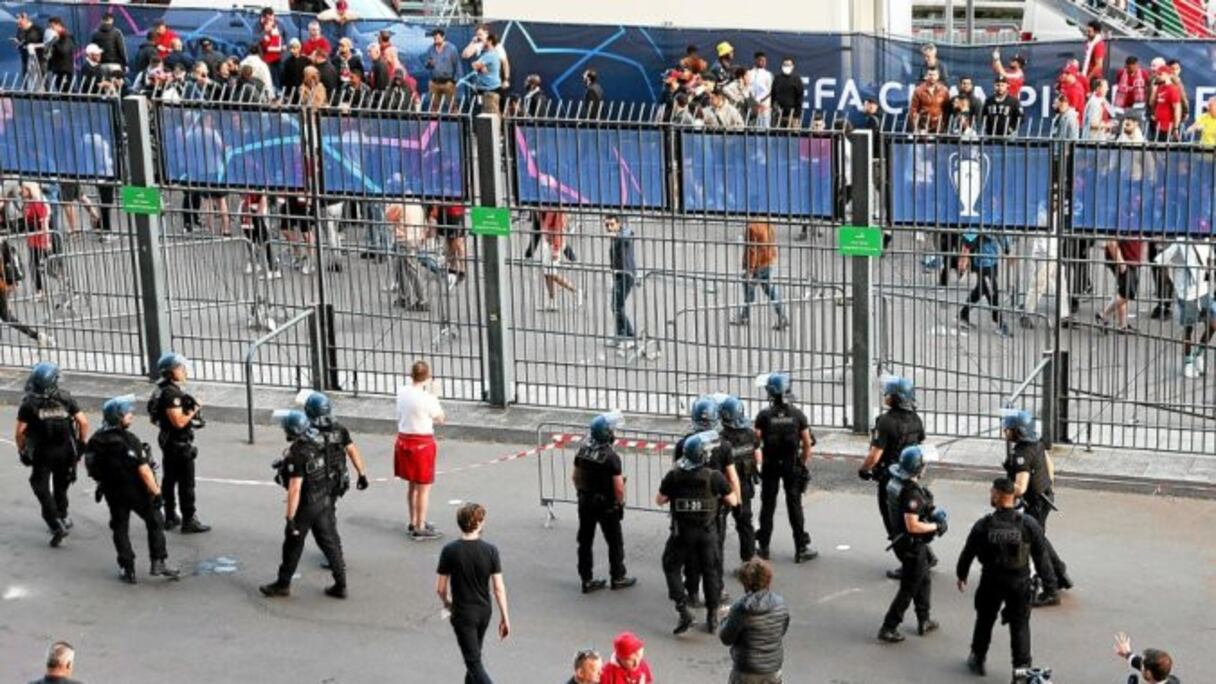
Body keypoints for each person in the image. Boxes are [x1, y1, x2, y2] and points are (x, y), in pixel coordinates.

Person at [955, 477, 1056, 677]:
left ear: (999, 495)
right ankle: (1021, 671)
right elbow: (1041, 556)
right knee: (1020, 624)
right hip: (1020, 582)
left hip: (991, 580)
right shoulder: (1027, 524)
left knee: (985, 619)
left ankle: (978, 658)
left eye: (992, 492)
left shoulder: (984, 525)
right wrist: (1050, 585)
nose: (990, 495)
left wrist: (962, 574)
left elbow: (968, 552)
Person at [84, 395, 180, 584]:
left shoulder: (96, 440)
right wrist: (157, 492)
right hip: (136, 489)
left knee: (120, 527)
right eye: (127, 413)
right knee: (155, 520)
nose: (131, 416)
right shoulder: (129, 440)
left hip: (112, 490)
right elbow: (144, 470)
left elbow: (90, 465)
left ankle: (127, 568)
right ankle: (158, 561)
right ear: (117, 416)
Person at [259, 410, 347, 599]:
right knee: (329, 542)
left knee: (293, 543)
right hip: (323, 499)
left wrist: (290, 518)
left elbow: (295, 489)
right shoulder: (319, 442)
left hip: (307, 504)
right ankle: (341, 584)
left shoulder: (297, 454)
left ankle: (283, 584)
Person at [657, 431, 738, 634]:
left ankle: (683, 608)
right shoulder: (714, 476)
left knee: (671, 566)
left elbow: (660, 499)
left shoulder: (674, 475)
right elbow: (733, 501)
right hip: (707, 532)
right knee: (710, 571)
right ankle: (712, 616)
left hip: (681, 533)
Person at [999, 410, 1072, 606]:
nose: (1005, 431)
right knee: (1040, 538)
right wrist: (1047, 486)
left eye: (1008, 429)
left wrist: (1001, 491)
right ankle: (1060, 574)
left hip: (1035, 504)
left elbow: (1020, 487)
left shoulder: (1022, 454)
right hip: (1044, 498)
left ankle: (1050, 588)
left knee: (1035, 546)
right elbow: (1050, 467)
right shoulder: (1036, 444)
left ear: (1019, 431)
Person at [858, 375, 926, 580]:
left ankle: (908, 564)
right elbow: (921, 448)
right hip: (912, 476)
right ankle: (926, 557)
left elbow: (875, 454)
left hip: (891, 479)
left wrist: (864, 469)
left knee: (894, 522)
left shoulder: (885, 421)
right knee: (912, 518)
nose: (885, 396)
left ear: (895, 397)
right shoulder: (916, 419)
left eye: (888, 393)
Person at [877, 445, 947, 643]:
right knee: (908, 587)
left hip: (903, 541)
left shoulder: (896, 482)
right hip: (911, 544)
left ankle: (924, 619)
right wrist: (935, 526)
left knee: (923, 579)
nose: (926, 467)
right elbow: (913, 525)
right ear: (918, 467)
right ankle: (889, 626)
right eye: (924, 464)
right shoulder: (911, 493)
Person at [436, 503, 511, 684]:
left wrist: (447, 603)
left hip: (462, 613)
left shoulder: (450, 550)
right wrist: (505, 617)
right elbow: (499, 589)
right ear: (479, 523)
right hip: (484, 611)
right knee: (474, 656)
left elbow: (440, 588)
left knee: (473, 661)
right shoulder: (490, 550)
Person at [16, 362, 88, 547]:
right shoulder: (65, 398)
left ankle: (54, 522)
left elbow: (20, 432)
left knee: (39, 485)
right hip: (66, 450)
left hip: (43, 452)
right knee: (61, 484)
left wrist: (22, 450)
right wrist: (81, 443)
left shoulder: (29, 403)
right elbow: (83, 422)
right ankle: (63, 516)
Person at [753, 373, 816, 563]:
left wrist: (758, 463)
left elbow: (755, 442)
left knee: (768, 505)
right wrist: (802, 463)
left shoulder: (764, 415)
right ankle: (800, 548)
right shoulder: (797, 414)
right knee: (794, 504)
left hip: (770, 464)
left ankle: (763, 547)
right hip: (791, 464)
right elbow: (807, 443)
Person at [572, 411, 635, 593]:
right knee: (615, 541)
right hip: (606, 505)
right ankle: (618, 576)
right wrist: (620, 503)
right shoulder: (611, 457)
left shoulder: (583, 451)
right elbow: (619, 488)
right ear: (607, 434)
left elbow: (575, 477)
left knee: (585, 542)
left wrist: (582, 493)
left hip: (585, 502)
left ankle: (587, 579)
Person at [149, 352, 210, 534]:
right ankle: (189, 519)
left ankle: (170, 516)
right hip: (178, 441)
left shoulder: (160, 389)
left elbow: (155, 417)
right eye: (180, 368)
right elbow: (179, 421)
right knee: (186, 483)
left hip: (167, 439)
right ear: (171, 371)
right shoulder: (171, 394)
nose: (184, 371)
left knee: (170, 478)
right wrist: (195, 407)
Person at [395, 360, 446, 539]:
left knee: (412, 485)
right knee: (424, 487)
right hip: (422, 443)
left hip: (403, 440)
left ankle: (413, 520)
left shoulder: (402, 392)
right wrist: (435, 396)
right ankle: (420, 526)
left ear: (411, 375)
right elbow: (440, 418)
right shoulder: (428, 398)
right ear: (428, 377)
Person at [719, 559, 789, 684]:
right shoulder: (780, 604)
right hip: (772, 668)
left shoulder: (741, 609)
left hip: (747, 669)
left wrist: (725, 617)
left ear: (746, 584)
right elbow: (782, 630)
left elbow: (726, 638)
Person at [1154, 238, 1216, 378]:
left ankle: (1199, 353)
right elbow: (1160, 260)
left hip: (1204, 291)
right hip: (1186, 293)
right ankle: (1188, 363)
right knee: (1188, 328)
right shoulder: (1180, 242)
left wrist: (1210, 275)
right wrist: (1169, 282)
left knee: (1213, 324)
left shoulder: (1205, 239)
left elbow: (1211, 260)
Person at [302, 391, 369, 510]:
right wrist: (361, 474)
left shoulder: (306, 432)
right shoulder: (339, 429)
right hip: (336, 479)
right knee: (328, 508)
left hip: (314, 482)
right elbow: (352, 451)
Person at [717, 395, 759, 565]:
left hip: (725, 488)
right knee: (745, 524)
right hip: (745, 485)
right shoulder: (750, 434)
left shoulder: (720, 439)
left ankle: (715, 565)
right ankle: (748, 562)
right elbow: (758, 456)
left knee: (719, 527)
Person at [731, 221, 788, 330]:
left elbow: (752, 250)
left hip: (758, 265)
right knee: (771, 291)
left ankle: (745, 317)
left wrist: (750, 270)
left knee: (748, 287)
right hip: (769, 262)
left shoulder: (752, 228)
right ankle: (782, 317)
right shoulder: (768, 224)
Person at [959, 227, 1012, 337]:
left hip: (993, 261)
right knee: (992, 292)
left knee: (981, 289)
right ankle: (999, 322)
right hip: (983, 262)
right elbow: (969, 237)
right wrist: (964, 258)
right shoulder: (980, 219)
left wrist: (1007, 251)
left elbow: (1002, 235)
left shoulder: (995, 218)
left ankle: (963, 315)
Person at [605, 214, 637, 348]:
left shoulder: (624, 232)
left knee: (617, 306)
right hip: (618, 275)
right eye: (607, 225)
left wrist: (617, 236)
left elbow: (628, 235)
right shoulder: (615, 236)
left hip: (626, 275)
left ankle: (630, 336)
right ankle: (620, 335)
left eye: (612, 224)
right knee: (616, 305)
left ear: (619, 224)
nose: (609, 228)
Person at [1114, 633, 1180, 684]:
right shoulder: (1174, 680)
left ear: (1148, 674)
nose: (1140, 665)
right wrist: (1127, 654)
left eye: (1142, 667)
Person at [426, 28, 461, 111]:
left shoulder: (452, 49)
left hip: (448, 83)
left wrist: (454, 81)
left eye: (437, 38)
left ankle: (455, 123)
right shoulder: (430, 49)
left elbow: (457, 65)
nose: (435, 40)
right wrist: (429, 64)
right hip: (434, 82)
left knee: (452, 105)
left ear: (443, 37)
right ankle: (434, 123)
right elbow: (427, 65)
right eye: (434, 38)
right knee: (434, 106)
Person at [469, 33, 503, 115]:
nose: (482, 43)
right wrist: (481, 67)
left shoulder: (490, 55)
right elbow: (475, 65)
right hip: (483, 89)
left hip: (490, 90)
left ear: (490, 42)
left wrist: (479, 67)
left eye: (485, 41)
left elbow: (475, 65)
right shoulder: (485, 54)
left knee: (491, 115)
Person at [909, 67, 949, 133]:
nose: (932, 77)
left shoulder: (944, 90)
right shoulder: (919, 90)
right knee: (923, 143)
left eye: (934, 75)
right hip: (923, 125)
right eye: (930, 75)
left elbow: (947, 110)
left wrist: (944, 125)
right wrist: (915, 127)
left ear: (938, 76)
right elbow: (913, 110)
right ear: (926, 76)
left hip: (939, 125)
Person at [771, 57, 804, 127]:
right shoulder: (777, 78)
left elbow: (800, 98)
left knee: (792, 136)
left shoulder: (797, 79)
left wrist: (797, 115)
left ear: (792, 67)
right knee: (777, 136)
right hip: (778, 114)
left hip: (792, 115)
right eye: (785, 64)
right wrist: (773, 108)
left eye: (788, 65)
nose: (786, 67)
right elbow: (773, 95)